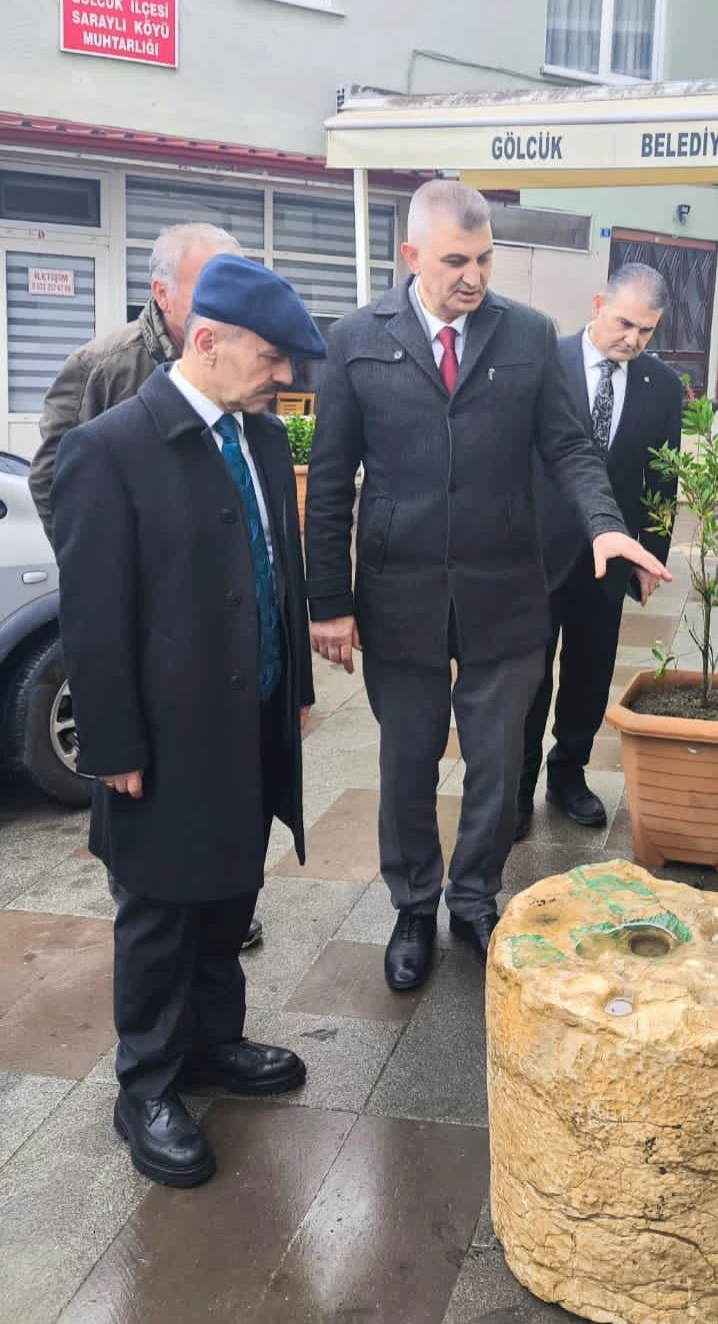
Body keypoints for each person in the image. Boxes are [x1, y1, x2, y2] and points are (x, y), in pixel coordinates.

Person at [305, 181, 670, 995]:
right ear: (412, 257)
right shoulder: (357, 340)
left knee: (498, 763)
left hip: (508, 586)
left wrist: (606, 523)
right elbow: (328, 481)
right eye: (456, 261)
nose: (473, 276)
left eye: (484, 259)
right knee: (406, 761)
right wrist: (327, 600)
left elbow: (572, 448)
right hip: (398, 592)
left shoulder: (528, 336)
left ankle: (474, 896)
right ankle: (412, 906)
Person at [51, 255, 326, 1189]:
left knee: (228, 893)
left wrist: (293, 689)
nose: (282, 375)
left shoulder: (258, 441)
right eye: (270, 356)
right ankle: (148, 1086)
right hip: (160, 744)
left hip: (247, 724)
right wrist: (113, 743)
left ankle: (214, 1043)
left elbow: (277, 566)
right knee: (162, 912)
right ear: (204, 341)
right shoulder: (113, 448)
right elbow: (93, 615)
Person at [31, 223, 266, 954]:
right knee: (151, 868)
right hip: (142, 624)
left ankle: (216, 941)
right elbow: (53, 471)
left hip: (215, 629)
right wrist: (98, 552)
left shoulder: (240, 376)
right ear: (164, 292)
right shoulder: (103, 365)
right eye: (208, 284)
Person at [517, 265, 682, 840]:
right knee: (529, 676)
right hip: (537, 551)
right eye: (626, 323)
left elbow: (663, 480)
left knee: (589, 673)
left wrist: (649, 555)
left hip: (610, 560)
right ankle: (516, 789)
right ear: (598, 304)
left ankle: (569, 776)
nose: (634, 340)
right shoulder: (545, 361)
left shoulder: (660, 386)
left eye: (647, 331)